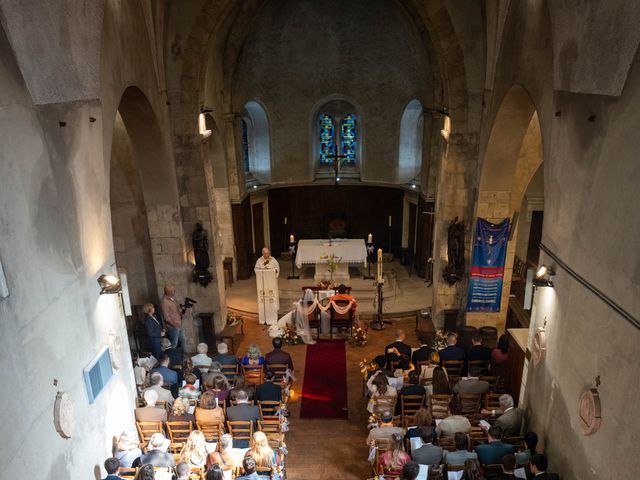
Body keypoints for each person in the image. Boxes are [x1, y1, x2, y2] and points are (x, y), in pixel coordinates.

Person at [161, 284, 185, 350]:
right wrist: (175, 325)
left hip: (178, 324)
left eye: (174, 290)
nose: (174, 291)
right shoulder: (164, 302)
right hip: (173, 326)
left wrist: (181, 311)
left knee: (182, 341)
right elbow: (166, 317)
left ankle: (182, 357)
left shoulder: (172, 299)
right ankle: (171, 358)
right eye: (173, 290)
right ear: (168, 292)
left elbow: (175, 310)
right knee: (174, 344)